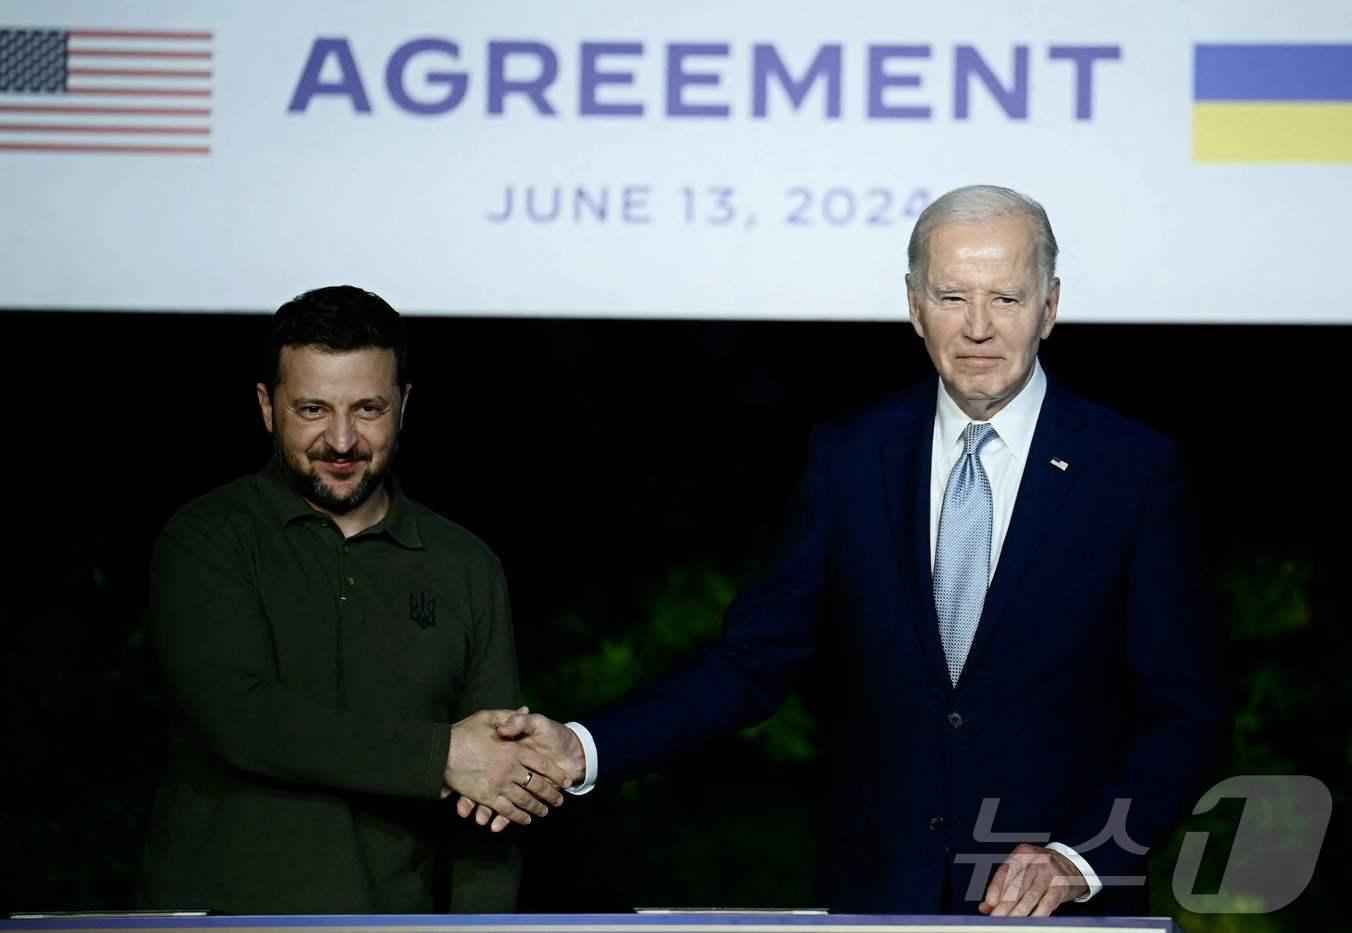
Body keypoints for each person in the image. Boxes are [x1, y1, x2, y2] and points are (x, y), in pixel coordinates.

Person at [472, 186, 1228, 917]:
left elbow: (1187, 711)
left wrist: (1082, 855)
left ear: (1050, 306)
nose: (978, 328)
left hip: (1056, 916)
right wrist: (583, 747)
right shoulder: (849, 457)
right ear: (913, 305)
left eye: (1006, 297)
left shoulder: (1133, 472)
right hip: (879, 899)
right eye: (952, 296)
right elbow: (754, 660)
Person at [140, 286, 569, 914]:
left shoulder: (466, 565)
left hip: (398, 927)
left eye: (367, 409)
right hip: (222, 923)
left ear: (403, 406)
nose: (341, 441)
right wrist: (441, 754)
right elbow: (243, 719)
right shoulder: (207, 539)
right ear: (267, 406)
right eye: (312, 409)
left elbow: (494, 793)